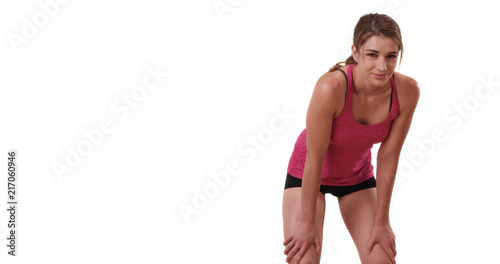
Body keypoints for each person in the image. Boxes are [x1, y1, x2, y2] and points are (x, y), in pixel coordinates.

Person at [282, 13, 420, 264]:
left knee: (381, 260)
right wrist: (305, 222)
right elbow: (315, 158)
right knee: (305, 260)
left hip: (356, 176)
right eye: (372, 54)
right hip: (309, 173)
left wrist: (383, 222)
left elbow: (389, 159)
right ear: (355, 52)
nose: (383, 66)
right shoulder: (331, 88)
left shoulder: (407, 90)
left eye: (391, 56)